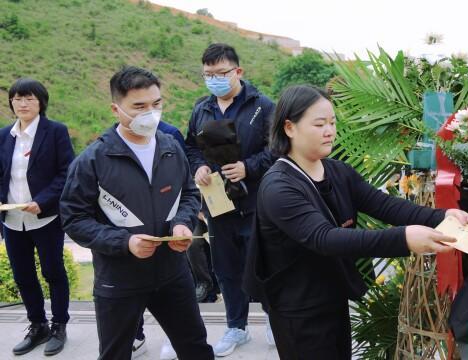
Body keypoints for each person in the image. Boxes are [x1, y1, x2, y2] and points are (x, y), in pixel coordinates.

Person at [243, 85, 468, 359]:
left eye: (332, 123)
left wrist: (442, 216)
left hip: (332, 294)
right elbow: (325, 238)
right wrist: (404, 239)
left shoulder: (337, 171)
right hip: (297, 307)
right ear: (289, 127)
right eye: (319, 124)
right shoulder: (279, 187)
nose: (330, 131)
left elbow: (384, 205)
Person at [59, 66, 214, 360]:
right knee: (116, 353)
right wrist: (124, 242)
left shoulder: (171, 148)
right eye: (139, 106)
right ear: (116, 109)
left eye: (156, 104)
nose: (151, 113)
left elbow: (190, 194)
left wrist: (182, 223)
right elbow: (74, 219)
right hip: (119, 279)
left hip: (173, 273)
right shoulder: (92, 160)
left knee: (195, 347)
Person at [185, 43, 275, 356]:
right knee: (226, 267)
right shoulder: (202, 108)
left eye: (221, 73)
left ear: (238, 71)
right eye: (208, 74)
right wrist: (199, 167)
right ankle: (236, 327)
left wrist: (248, 167)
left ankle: (273, 320)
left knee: (262, 263)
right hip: (217, 203)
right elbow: (191, 147)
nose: (214, 79)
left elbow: (277, 149)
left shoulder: (262, 106)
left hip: (256, 203)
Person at [0, 78, 74, 356]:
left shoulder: (55, 132)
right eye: (17, 98)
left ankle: (59, 326)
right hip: (12, 221)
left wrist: (41, 201)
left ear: (41, 102)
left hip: (45, 219)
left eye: (29, 98)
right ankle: (37, 325)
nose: (22, 103)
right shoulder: (4, 135)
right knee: (23, 275)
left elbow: (66, 172)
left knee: (53, 272)